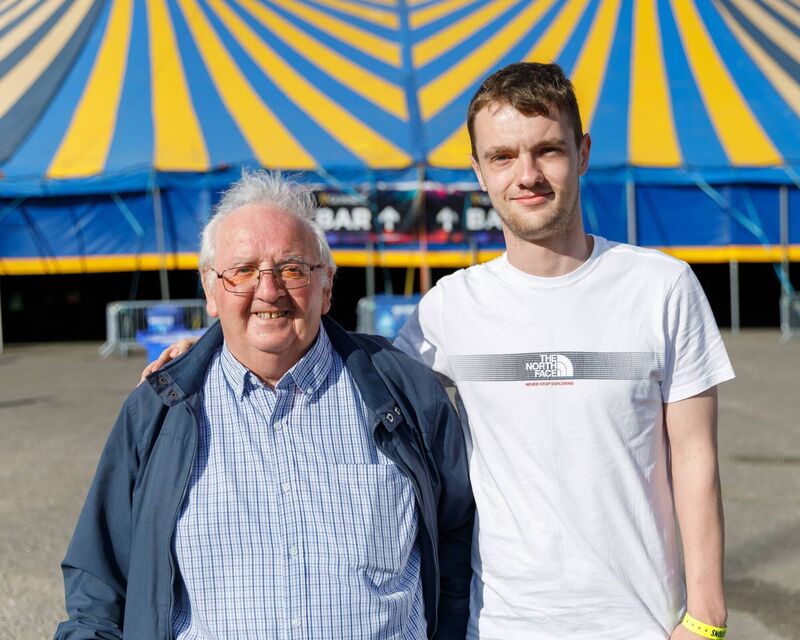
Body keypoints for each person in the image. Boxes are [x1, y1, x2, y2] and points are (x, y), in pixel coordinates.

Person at [143, 63, 733, 639]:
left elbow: (696, 458)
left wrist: (705, 619)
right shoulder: (450, 309)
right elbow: (338, 363)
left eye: (547, 150)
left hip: (642, 622)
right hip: (499, 624)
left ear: (581, 153)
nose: (526, 174)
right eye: (502, 157)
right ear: (478, 171)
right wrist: (213, 351)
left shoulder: (661, 288)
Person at [56, 170, 474, 640]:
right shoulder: (159, 410)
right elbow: (99, 584)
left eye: (291, 268)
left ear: (327, 285)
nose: (268, 290)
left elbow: (461, 540)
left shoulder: (405, 393)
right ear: (212, 290)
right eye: (243, 271)